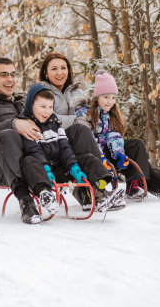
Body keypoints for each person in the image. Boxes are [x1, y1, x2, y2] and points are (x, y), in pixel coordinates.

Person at [0, 57, 123, 225]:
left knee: (80, 131)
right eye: (3, 74)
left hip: (43, 160)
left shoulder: (23, 102)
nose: (10, 79)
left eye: (13, 74)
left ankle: (92, 191)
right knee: (8, 135)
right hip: (6, 166)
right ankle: (26, 201)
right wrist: (14, 124)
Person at [37, 54, 160, 199]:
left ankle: (146, 185)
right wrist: (75, 120)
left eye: (63, 68)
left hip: (94, 140)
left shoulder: (76, 92)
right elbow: (44, 117)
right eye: (54, 69)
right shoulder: (41, 93)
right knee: (90, 139)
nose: (60, 73)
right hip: (69, 146)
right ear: (45, 72)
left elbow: (93, 113)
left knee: (134, 146)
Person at [18, 84, 124, 221]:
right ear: (30, 105)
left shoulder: (54, 123)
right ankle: (45, 195)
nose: (47, 111)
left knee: (87, 159)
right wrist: (46, 169)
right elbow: (34, 150)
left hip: (59, 169)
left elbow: (64, 148)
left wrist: (73, 167)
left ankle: (102, 193)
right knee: (29, 161)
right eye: (42, 107)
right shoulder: (26, 125)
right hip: (41, 172)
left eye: (50, 107)